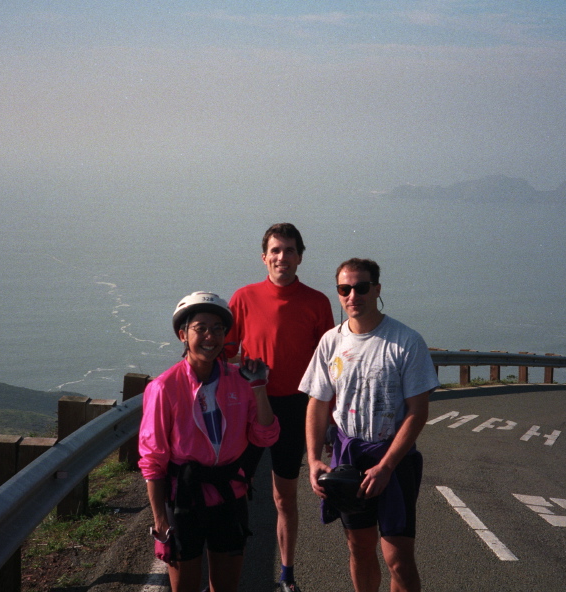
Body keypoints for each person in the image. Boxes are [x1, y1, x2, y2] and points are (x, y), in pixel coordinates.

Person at [301, 258, 439, 592]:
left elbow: (418, 411)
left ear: (377, 290)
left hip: (395, 461)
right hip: (348, 459)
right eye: (344, 289)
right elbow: (317, 405)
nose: (353, 295)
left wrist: (387, 466)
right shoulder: (330, 342)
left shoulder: (405, 341)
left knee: (398, 560)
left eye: (361, 287)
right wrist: (314, 460)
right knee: (359, 547)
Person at [139, 291, 280, 592]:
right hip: (184, 500)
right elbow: (153, 458)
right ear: (182, 335)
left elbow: (266, 435)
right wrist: (160, 520)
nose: (210, 336)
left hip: (229, 496)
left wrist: (259, 389)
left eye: (218, 329)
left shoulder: (240, 380)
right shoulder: (164, 387)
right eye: (200, 328)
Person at [225, 223, 334, 592]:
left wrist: (331, 416)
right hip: (250, 406)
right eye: (275, 250)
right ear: (264, 257)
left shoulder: (317, 302)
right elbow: (223, 353)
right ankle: (229, 572)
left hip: (295, 408)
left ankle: (287, 576)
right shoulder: (243, 298)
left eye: (289, 250)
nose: (282, 257)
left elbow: (329, 363)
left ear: (300, 257)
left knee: (284, 496)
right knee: (235, 489)